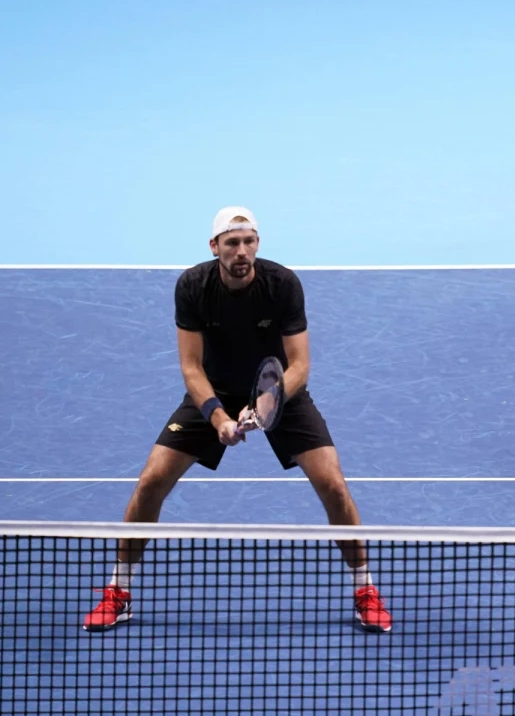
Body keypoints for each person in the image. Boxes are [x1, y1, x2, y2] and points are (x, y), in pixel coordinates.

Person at [82, 206, 392, 633]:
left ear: (257, 243)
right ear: (215, 247)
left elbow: (300, 365)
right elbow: (192, 368)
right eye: (232, 243)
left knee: (333, 485)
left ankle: (365, 590)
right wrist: (217, 418)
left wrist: (268, 401)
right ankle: (119, 591)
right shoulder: (193, 286)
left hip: (279, 390)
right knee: (151, 481)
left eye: (249, 241)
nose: (242, 251)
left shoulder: (282, 284)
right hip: (215, 391)